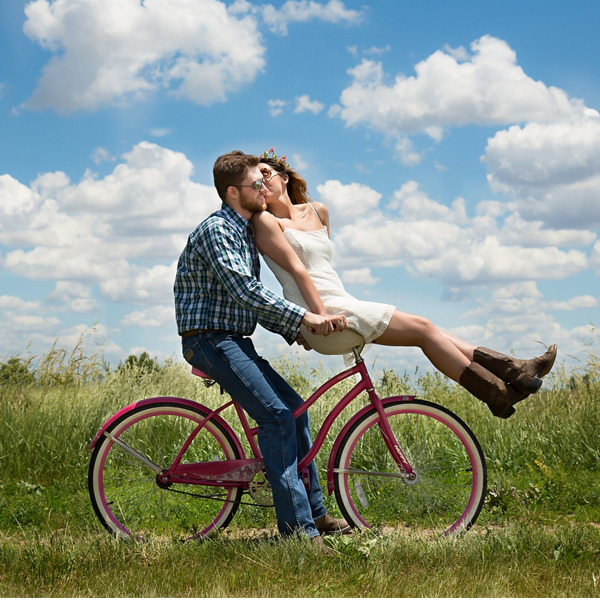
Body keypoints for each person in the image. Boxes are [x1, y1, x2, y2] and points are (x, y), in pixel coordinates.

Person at [252, 149, 557, 420]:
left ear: (284, 176)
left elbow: (323, 269)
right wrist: (315, 319)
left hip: (340, 302)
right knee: (424, 330)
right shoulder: (266, 223)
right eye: (254, 181)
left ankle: (512, 374)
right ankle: (500, 388)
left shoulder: (319, 211)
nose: (261, 183)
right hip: (322, 314)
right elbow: (299, 273)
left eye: (265, 174)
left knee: (430, 331)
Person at [174, 150, 351, 548]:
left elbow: (247, 301)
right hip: (209, 340)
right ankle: (298, 534)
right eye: (258, 184)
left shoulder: (243, 231)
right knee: (277, 419)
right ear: (234, 192)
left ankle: (316, 514)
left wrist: (294, 330)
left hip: (233, 339)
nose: (264, 190)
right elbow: (246, 291)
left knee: (296, 411)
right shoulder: (218, 230)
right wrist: (305, 318)